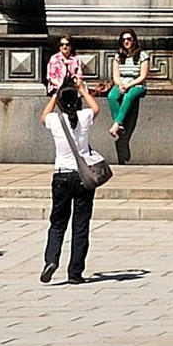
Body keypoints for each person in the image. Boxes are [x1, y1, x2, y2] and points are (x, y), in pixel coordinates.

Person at [41, 75, 103, 284]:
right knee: (81, 224)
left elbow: (44, 116)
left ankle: (51, 259)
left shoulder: (54, 120)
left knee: (57, 223)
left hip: (62, 175)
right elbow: (96, 108)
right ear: (77, 101)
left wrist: (56, 93)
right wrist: (82, 89)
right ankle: (75, 272)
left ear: (60, 103)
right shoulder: (84, 117)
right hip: (83, 177)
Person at [105, 33, 150, 165]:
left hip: (137, 84)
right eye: (124, 40)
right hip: (122, 83)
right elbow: (115, 75)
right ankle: (119, 124)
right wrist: (120, 85)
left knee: (129, 96)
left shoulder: (143, 55)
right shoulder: (118, 56)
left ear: (134, 40)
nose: (126, 42)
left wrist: (129, 85)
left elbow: (143, 76)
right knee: (112, 96)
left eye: (129, 39)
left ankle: (117, 123)